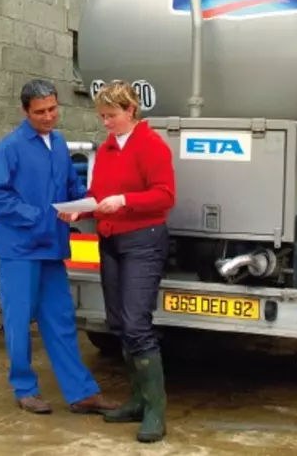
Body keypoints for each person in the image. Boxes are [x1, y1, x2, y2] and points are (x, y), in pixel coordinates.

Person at [0, 78, 119, 416]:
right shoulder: (9, 148)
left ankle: (81, 393)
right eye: (40, 111)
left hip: (52, 249)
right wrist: (38, 216)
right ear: (25, 111)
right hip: (20, 251)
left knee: (61, 321)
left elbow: (70, 185)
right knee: (18, 323)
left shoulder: (58, 144)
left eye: (53, 109)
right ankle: (25, 389)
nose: (48, 116)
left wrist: (85, 203)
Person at [59, 80, 176, 443]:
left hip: (143, 241)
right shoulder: (108, 149)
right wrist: (82, 212)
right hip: (110, 240)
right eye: (102, 117)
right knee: (119, 323)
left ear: (130, 110)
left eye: (111, 116)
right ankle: (139, 400)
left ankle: (156, 410)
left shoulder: (151, 145)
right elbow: (98, 193)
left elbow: (164, 195)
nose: (105, 123)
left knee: (138, 324)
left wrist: (124, 201)